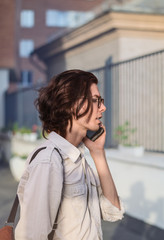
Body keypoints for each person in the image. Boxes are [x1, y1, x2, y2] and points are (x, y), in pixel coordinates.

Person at [15, 69, 124, 240]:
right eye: (96, 100)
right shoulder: (49, 161)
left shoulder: (78, 158)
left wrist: (98, 153)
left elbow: (113, 210)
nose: (103, 107)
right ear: (73, 104)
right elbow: (32, 235)